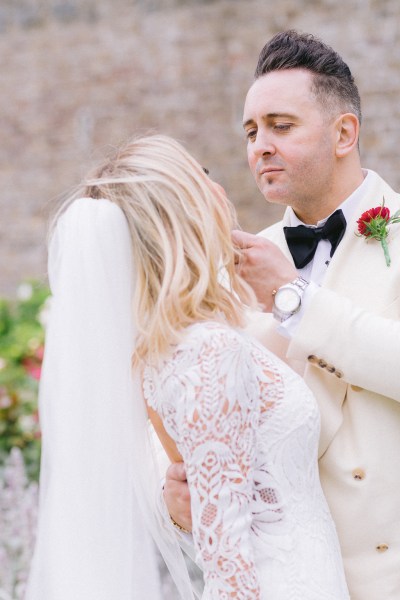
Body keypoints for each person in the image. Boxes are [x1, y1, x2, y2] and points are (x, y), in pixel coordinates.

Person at [25, 133, 349, 599]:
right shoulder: (207, 351)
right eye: (204, 176)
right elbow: (228, 565)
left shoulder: (181, 345)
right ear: (185, 209)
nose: (219, 189)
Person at [164, 30, 400, 600]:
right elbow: (193, 408)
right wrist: (173, 500)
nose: (259, 146)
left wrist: (293, 298)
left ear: (344, 133)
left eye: (281, 126)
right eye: (250, 131)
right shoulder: (233, 267)